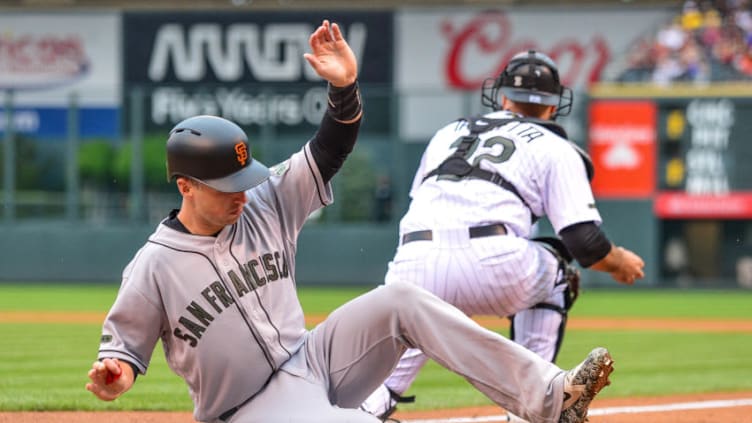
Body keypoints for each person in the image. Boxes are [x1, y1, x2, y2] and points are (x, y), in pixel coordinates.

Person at [85, 23, 614, 423]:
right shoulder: (154, 265)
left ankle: (550, 398)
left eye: (245, 178)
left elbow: (328, 150)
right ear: (186, 186)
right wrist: (118, 375)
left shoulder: (264, 201)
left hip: (313, 358)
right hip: (246, 408)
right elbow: (124, 348)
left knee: (401, 300)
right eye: (228, 186)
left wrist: (344, 90)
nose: (243, 194)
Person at [360, 50, 645, 422]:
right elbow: (584, 242)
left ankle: (368, 409)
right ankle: (532, 405)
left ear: (501, 95)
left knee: (414, 320)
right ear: (554, 105)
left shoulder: (449, 133)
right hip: (494, 263)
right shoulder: (554, 146)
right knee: (558, 271)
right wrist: (620, 261)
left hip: (412, 261)